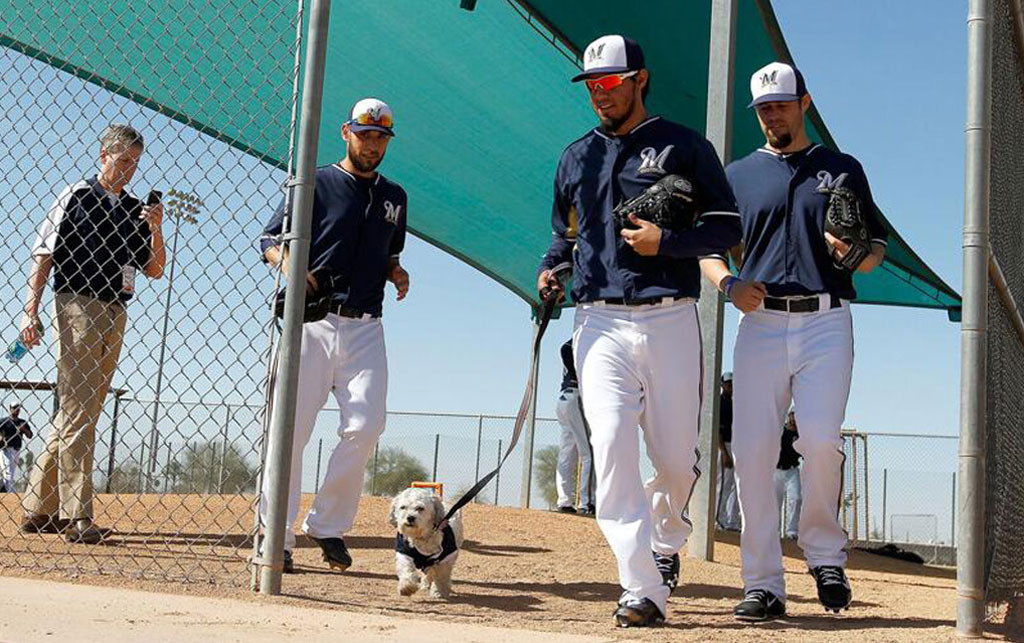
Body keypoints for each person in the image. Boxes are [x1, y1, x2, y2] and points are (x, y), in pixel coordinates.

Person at [537, 35, 741, 628]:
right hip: (597, 317)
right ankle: (641, 586)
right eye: (593, 86)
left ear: (640, 79)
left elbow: (726, 225)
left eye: (612, 83)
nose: (601, 95)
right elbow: (564, 233)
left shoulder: (684, 145)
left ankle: (668, 535)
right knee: (613, 449)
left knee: (676, 462)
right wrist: (553, 267)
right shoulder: (576, 157)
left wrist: (667, 243)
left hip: (670, 314)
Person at [700, 62, 887, 620]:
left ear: (805, 102)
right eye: (763, 107)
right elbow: (709, 250)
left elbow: (875, 250)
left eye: (782, 103)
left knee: (822, 442)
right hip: (759, 324)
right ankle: (762, 583)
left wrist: (855, 255)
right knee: (754, 455)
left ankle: (825, 555)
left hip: (826, 320)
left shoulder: (841, 168)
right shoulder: (736, 175)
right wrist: (729, 284)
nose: (772, 114)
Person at [258, 98, 409, 575]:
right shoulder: (317, 181)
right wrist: (290, 266)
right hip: (313, 322)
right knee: (291, 432)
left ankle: (326, 524)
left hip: (366, 325)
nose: (372, 144)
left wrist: (397, 272)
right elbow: (269, 240)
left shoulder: (395, 197)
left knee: (366, 426)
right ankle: (274, 537)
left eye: (380, 137)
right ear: (346, 132)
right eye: (364, 134)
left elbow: (389, 253)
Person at [19, 124, 165, 544]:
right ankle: (76, 515)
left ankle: (36, 507)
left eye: (135, 163)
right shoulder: (75, 196)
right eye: (122, 161)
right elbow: (43, 255)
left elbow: (154, 269)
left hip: (116, 308)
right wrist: (30, 311)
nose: (129, 170)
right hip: (77, 304)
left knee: (81, 410)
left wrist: (156, 227)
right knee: (80, 407)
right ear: (103, 155)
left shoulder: (136, 209)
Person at [554, 339, 594, 515]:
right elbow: (566, 347)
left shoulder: (579, 342)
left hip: (564, 399)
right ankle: (587, 502)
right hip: (575, 397)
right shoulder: (578, 342)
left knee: (567, 453)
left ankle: (565, 501)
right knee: (589, 453)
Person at [716, 372, 740, 531]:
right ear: (722, 384)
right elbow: (717, 430)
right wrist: (724, 453)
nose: (731, 386)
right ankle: (718, 520)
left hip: (734, 445)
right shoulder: (719, 403)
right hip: (722, 446)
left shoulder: (735, 403)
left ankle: (730, 521)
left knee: (733, 486)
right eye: (728, 383)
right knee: (723, 485)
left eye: (732, 383)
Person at [775, 410, 801, 540]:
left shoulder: (801, 433)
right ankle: (775, 531)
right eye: (792, 415)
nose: (793, 419)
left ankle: (792, 531)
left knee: (795, 498)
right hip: (777, 470)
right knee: (775, 502)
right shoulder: (780, 430)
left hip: (792, 470)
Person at [0, 404, 34, 493]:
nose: (16, 410)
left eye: (18, 408)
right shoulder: (4, 421)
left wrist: (24, 429)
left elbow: (30, 435)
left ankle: (3, 488)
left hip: (17, 450)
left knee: (11, 472)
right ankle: (10, 492)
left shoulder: (22, 422)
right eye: (14, 408)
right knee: (8, 473)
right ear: (10, 409)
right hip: (6, 450)